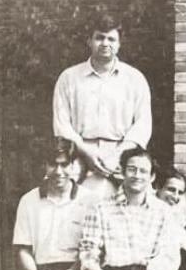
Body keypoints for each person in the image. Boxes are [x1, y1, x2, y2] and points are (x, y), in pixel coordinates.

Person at [53, 14, 152, 199]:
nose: (105, 43)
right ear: (89, 41)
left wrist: (118, 155)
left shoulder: (135, 79)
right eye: (99, 37)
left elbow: (142, 124)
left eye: (111, 39)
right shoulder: (69, 77)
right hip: (80, 153)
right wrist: (86, 151)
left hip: (122, 155)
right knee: (66, 203)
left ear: (119, 44)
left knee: (133, 206)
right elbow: (62, 123)